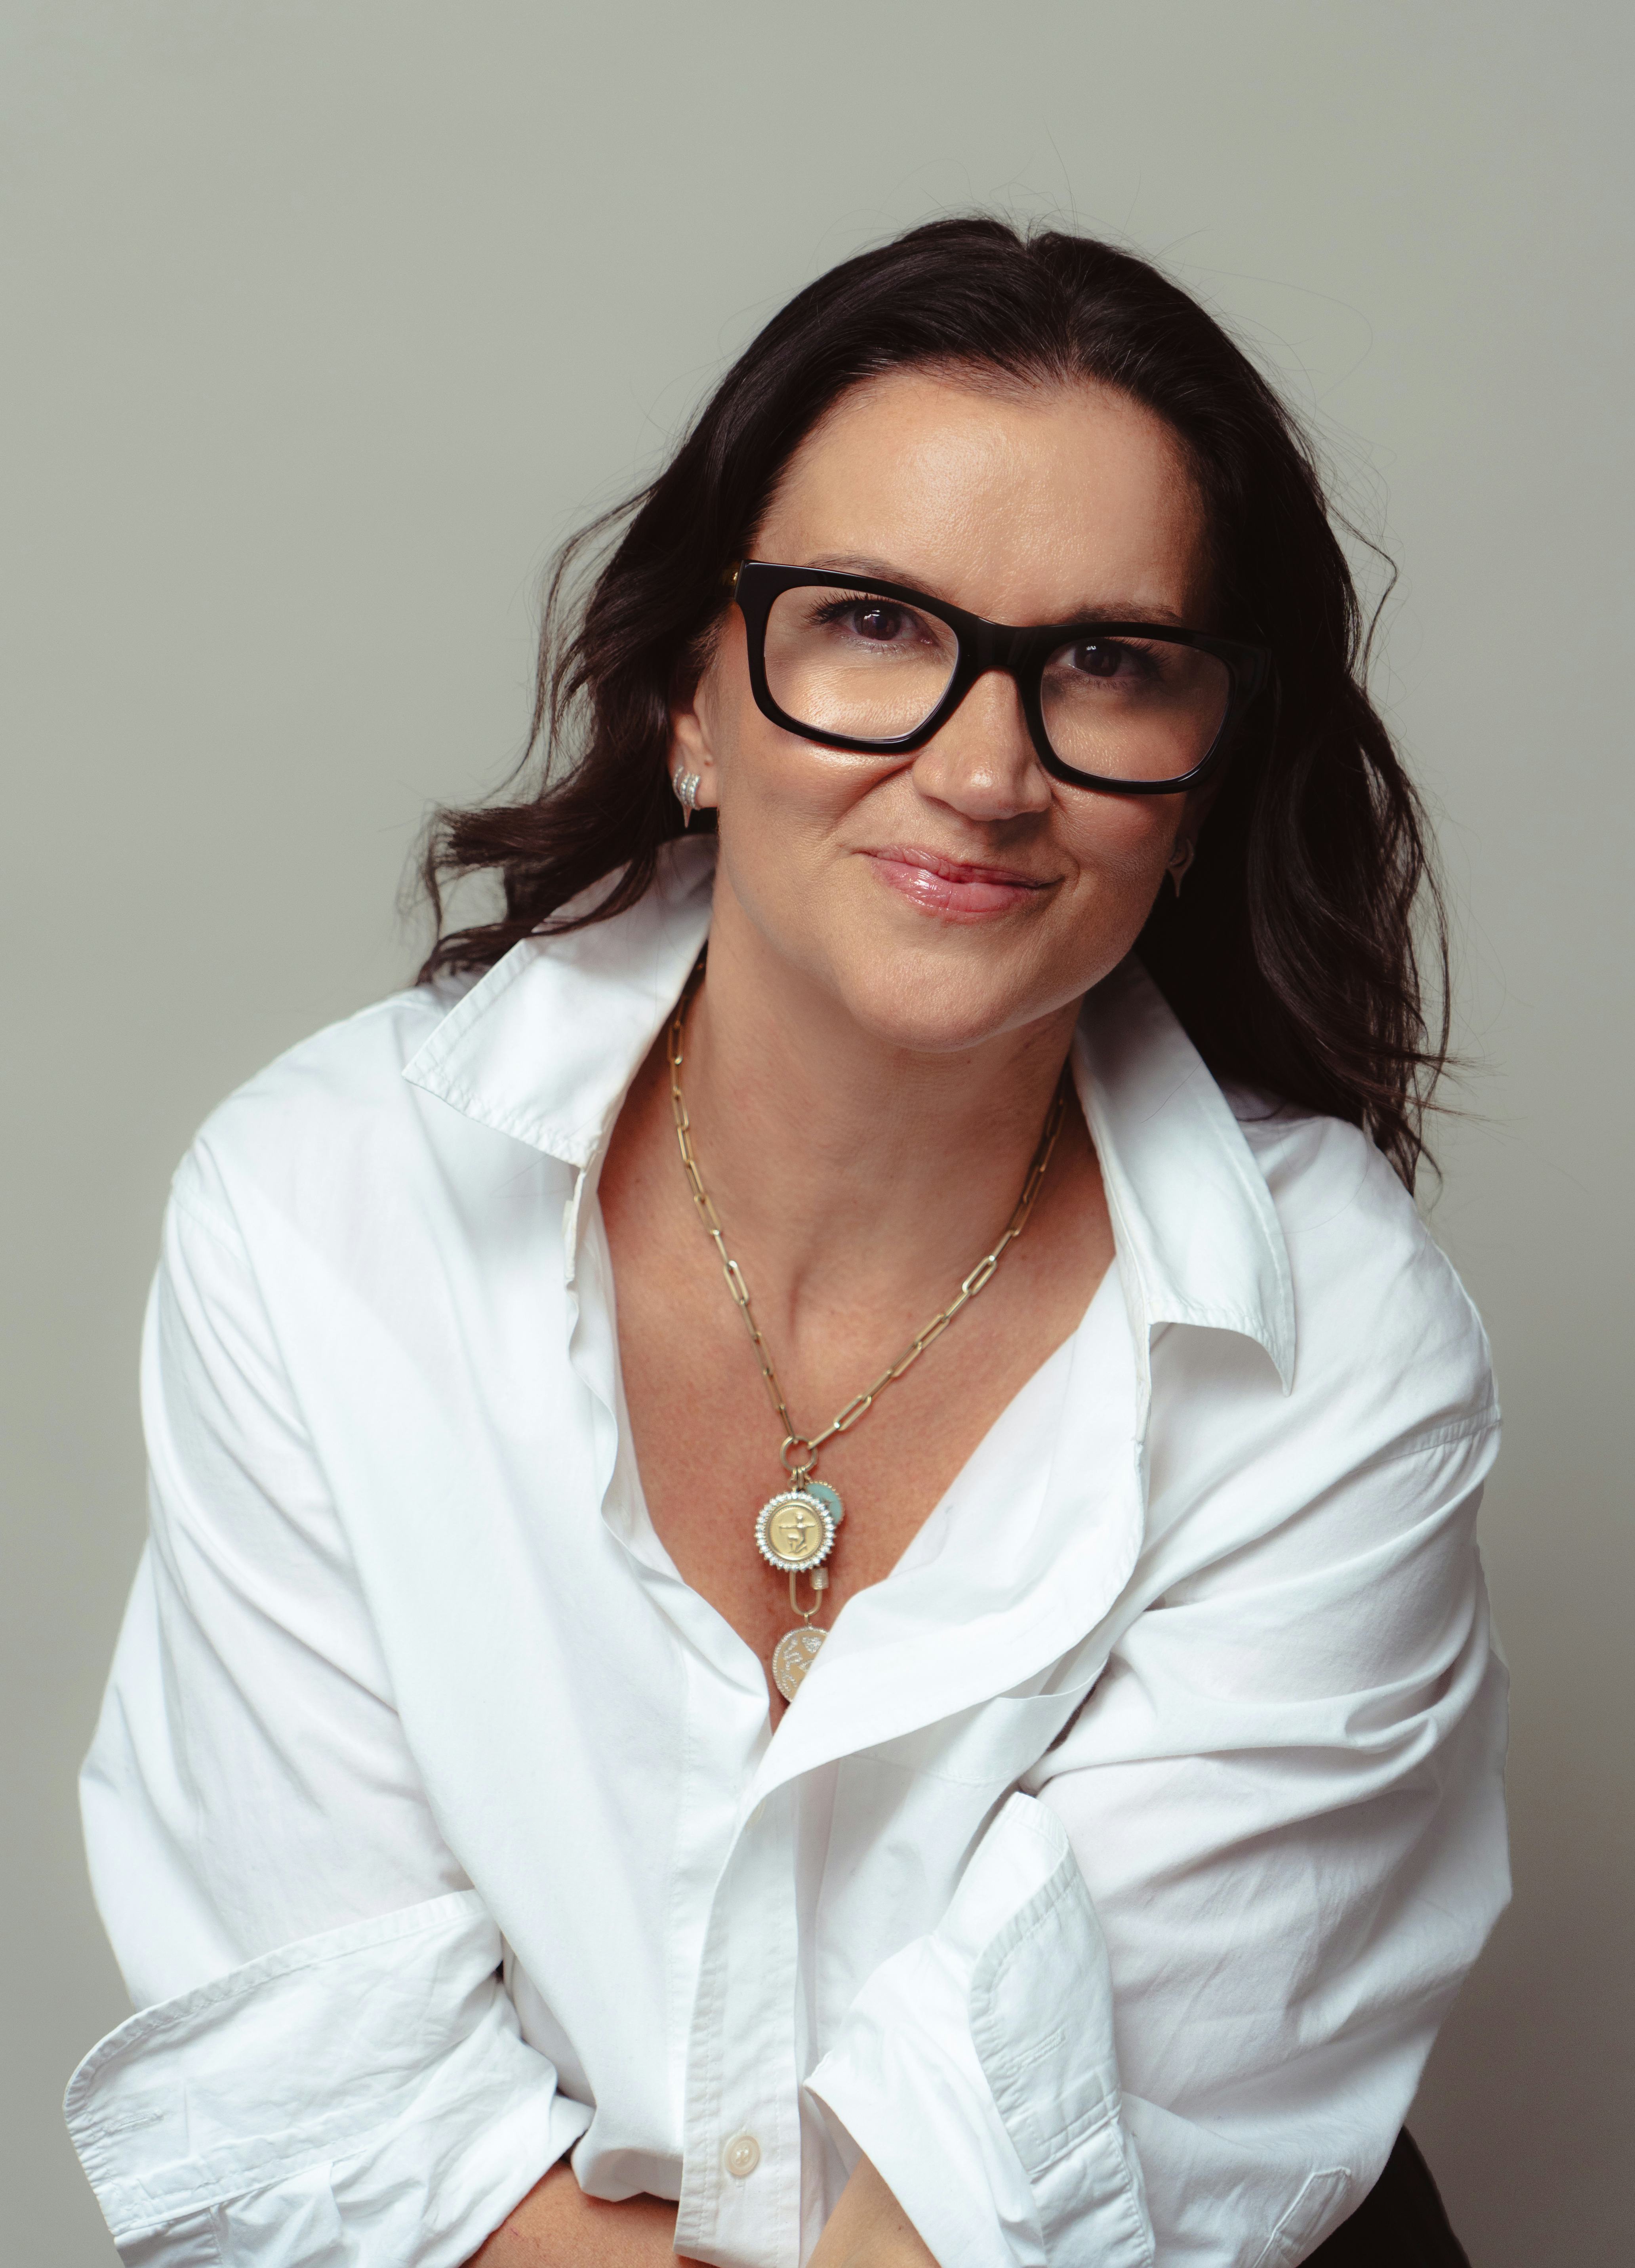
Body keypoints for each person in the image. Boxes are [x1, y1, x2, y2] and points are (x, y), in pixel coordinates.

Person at [64, 219, 1506, 2268]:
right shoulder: (326, 1209)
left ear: (1201, 783)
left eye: (1109, 662)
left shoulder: (1337, 1329)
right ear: (692, 696)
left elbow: (1012, 2214)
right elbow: (340, 2117)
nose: (985, 770)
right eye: (873, 625)